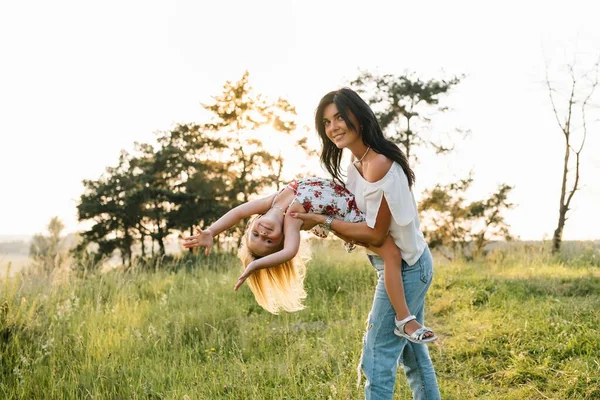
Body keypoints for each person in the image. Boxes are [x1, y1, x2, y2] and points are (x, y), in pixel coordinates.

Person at [290, 88, 441, 399]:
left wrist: (323, 221)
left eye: (340, 118)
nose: (333, 127)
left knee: (376, 357)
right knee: (412, 355)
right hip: (402, 265)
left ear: (359, 116)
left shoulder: (379, 165)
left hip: (407, 269)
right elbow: (357, 221)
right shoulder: (357, 165)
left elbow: (374, 234)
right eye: (327, 122)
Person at [183, 177, 434, 346]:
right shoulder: (292, 219)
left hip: (352, 199)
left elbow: (238, 211)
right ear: (280, 240)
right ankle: (404, 319)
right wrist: (255, 265)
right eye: (268, 242)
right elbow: (291, 252)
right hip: (352, 219)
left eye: (256, 235)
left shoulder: (273, 200)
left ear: (250, 227)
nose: (264, 233)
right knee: (391, 254)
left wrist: (212, 232)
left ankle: (407, 315)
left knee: (393, 252)